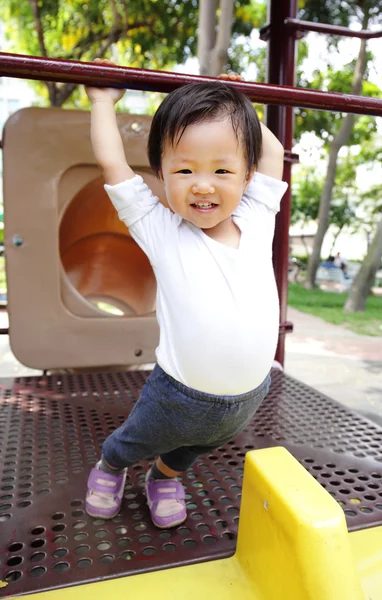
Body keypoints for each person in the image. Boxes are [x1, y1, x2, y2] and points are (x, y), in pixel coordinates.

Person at [84, 59, 287, 529]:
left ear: (246, 174)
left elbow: (272, 155)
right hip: (177, 393)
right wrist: (101, 101)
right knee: (138, 438)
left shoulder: (257, 219)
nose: (202, 184)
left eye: (221, 169)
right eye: (184, 170)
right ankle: (111, 466)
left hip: (248, 395)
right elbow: (112, 164)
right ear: (161, 171)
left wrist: (245, 107)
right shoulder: (161, 230)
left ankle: (164, 477)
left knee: (197, 446)